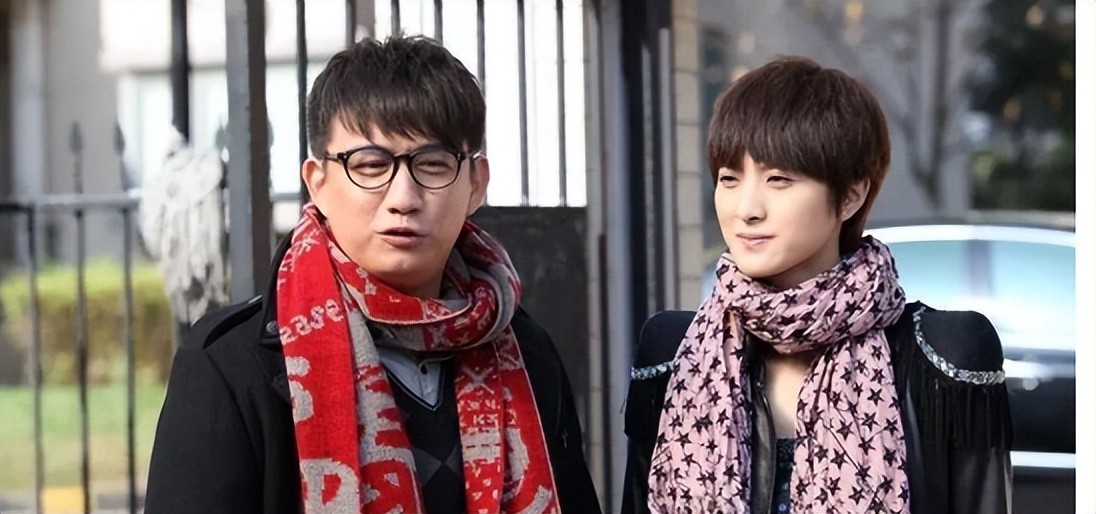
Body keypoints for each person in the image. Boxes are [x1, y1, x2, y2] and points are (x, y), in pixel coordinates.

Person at [145, 35, 599, 514]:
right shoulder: (233, 369)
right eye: (370, 165)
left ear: (476, 184)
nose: (403, 197)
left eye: (433, 165)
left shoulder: (526, 353)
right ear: (317, 184)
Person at [622, 56, 1012, 513]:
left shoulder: (943, 356)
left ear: (850, 195)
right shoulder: (674, 352)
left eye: (778, 180)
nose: (746, 209)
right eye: (729, 178)